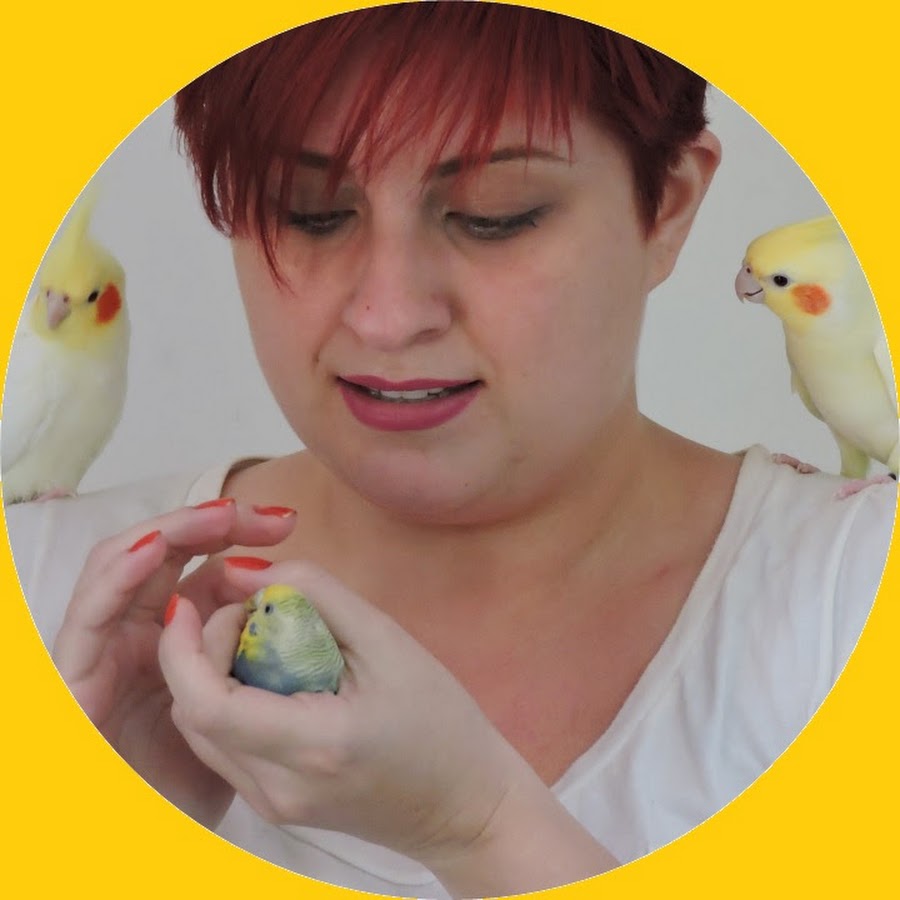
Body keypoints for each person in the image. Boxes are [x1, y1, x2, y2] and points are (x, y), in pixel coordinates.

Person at [5, 4, 895, 898]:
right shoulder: (47, 590)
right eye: (309, 212)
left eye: (493, 216)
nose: (388, 317)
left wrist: (478, 830)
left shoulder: (852, 592)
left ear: (665, 205)